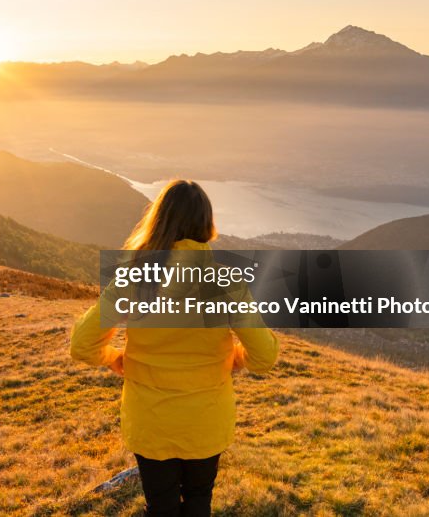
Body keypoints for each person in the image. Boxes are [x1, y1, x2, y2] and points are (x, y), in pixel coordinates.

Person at [70, 179, 278, 517]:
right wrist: (234, 359)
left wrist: (114, 358)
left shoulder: (135, 277)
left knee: (160, 507)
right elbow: (265, 356)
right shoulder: (224, 282)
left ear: (159, 220)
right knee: (198, 503)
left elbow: (81, 344)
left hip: (150, 423)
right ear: (207, 225)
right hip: (206, 423)